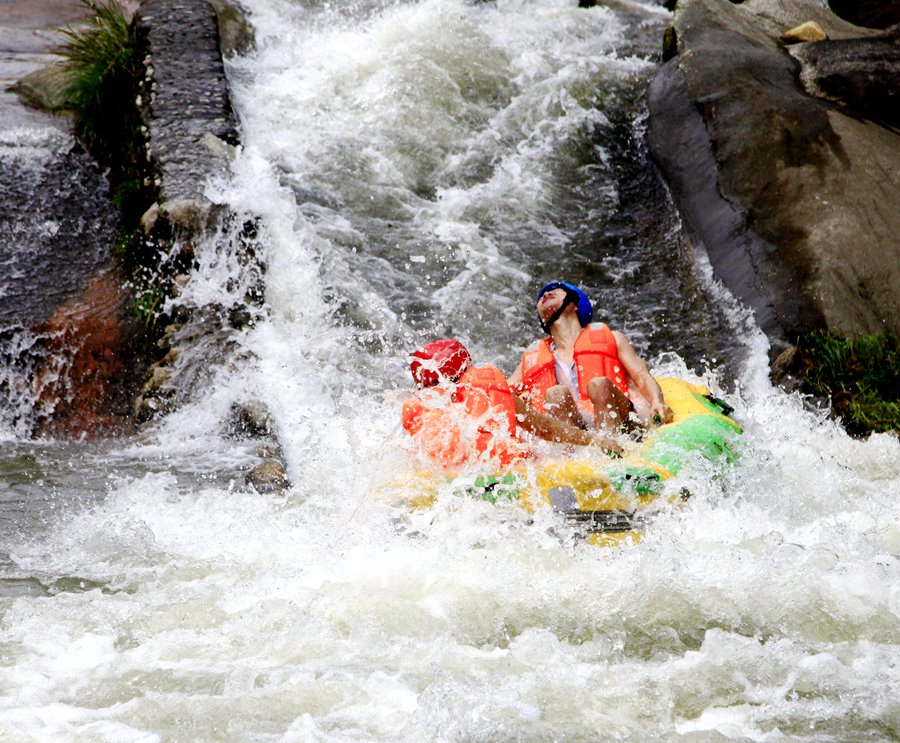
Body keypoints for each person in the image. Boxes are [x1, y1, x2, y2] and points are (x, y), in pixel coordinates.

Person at [401, 339, 618, 472]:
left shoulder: (423, 406)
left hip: (456, 476)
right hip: (509, 471)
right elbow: (545, 428)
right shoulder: (487, 388)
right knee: (536, 455)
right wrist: (594, 440)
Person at [508, 281, 673, 434]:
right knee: (555, 394)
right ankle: (570, 459)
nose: (546, 294)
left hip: (621, 420)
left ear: (576, 305)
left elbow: (642, 375)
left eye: (555, 291)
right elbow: (504, 393)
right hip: (572, 430)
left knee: (599, 384)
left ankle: (611, 449)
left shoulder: (613, 338)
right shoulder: (531, 358)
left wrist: (657, 401)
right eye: (542, 296)